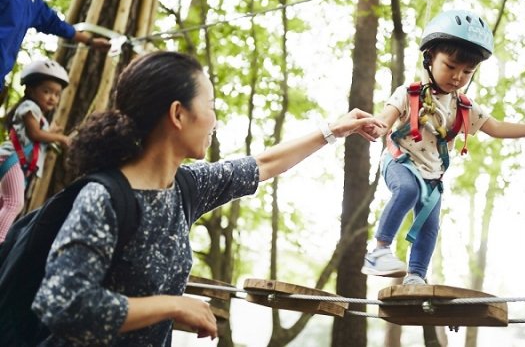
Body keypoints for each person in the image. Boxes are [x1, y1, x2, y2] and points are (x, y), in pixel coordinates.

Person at [30, 51, 385, 345]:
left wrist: (333, 131)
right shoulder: (104, 199)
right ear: (178, 114)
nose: (214, 120)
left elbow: (263, 164)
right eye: (210, 105)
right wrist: (171, 306)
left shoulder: (186, 186)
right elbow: (63, 304)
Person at [361, 9, 525, 286]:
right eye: (450, 66)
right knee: (407, 189)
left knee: (430, 226)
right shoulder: (409, 93)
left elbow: (497, 127)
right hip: (401, 162)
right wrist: (378, 126)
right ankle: (379, 251)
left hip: (432, 174)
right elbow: (386, 118)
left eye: (467, 71)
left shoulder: (462, 106)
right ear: (430, 58)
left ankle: (416, 276)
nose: (457, 76)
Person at [0, 58, 70, 242]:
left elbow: (41, 134)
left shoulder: (40, 117)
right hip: (11, 159)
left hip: (16, 164)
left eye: (56, 94)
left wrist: (52, 132)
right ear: (31, 90)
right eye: (46, 91)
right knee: (14, 203)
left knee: (3, 201)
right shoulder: (28, 107)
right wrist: (61, 138)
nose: (52, 98)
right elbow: (36, 134)